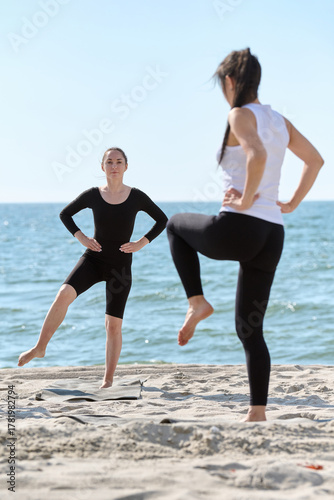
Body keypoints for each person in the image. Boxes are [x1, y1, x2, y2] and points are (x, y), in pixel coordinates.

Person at [166, 48, 324, 422]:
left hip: (239, 226)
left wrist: (247, 198)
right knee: (249, 329)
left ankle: (197, 303)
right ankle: (257, 412)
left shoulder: (238, 114)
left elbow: (256, 154)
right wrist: (291, 203)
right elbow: (315, 160)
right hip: (272, 233)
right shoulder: (279, 120)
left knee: (174, 225)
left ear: (231, 82)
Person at [18, 147, 168, 388]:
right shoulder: (93, 194)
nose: (114, 166)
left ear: (126, 166)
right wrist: (81, 237)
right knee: (63, 294)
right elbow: (65, 214)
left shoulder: (137, 196)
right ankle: (40, 347)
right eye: (109, 162)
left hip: (120, 266)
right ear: (103, 167)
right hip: (94, 259)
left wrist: (141, 242)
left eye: (119, 161)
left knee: (113, 325)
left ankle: (108, 380)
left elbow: (162, 220)